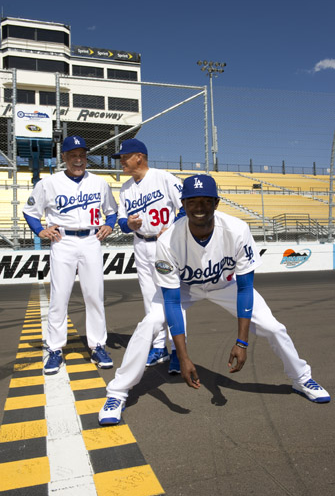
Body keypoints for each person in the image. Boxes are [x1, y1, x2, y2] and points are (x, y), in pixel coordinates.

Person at [98, 173, 330, 425]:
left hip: (225, 285)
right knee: (150, 324)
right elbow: (173, 302)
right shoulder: (167, 240)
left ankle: (301, 377)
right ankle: (118, 391)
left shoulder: (237, 230)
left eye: (206, 201)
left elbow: (245, 288)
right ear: (182, 205)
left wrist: (242, 342)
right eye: (192, 201)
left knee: (273, 327)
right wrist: (184, 357)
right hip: (184, 288)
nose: (199, 207)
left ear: (216, 203)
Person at [23, 135, 118, 375]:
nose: (78, 160)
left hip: (91, 240)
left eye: (82, 155)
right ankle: (55, 349)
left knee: (94, 295)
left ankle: (97, 345)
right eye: (73, 155)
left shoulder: (99, 183)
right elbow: (31, 211)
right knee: (59, 297)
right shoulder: (49, 183)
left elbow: (112, 212)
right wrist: (40, 230)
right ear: (63, 157)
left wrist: (109, 224)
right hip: (62, 241)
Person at [111, 138, 185, 373]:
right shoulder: (125, 188)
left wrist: (173, 226)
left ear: (139, 158)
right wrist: (128, 223)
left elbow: (186, 206)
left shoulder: (163, 178)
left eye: (124, 157)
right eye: (120, 158)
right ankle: (159, 347)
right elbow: (122, 222)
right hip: (141, 244)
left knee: (172, 299)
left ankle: (178, 351)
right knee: (149, 299)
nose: (121, 162)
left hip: (166, 245)